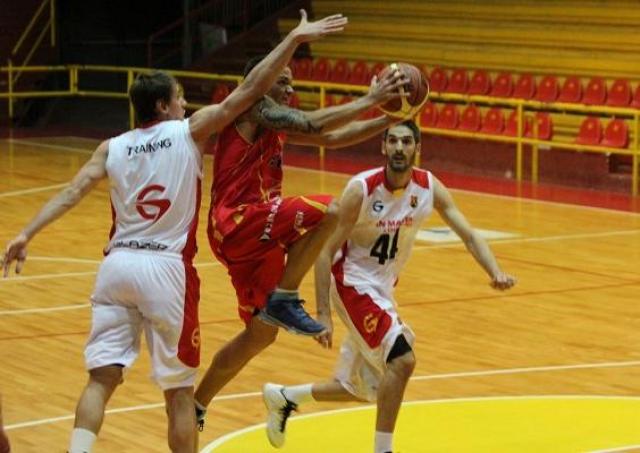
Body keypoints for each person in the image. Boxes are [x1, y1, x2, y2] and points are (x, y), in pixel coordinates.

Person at [0, 10, 348, 453]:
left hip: (116, 267)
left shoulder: (111, 147)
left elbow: (71, 193)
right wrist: (295, 39)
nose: (185, 105)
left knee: (100, 380)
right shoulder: (189, 131)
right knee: (181, 394)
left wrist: (26, 234)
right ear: (163, 106)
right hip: (165, 269)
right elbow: (251, 89)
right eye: (180, 98)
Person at [261, 120, 517, 453]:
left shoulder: (427, 187)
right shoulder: (362, 190)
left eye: (406, 142)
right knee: (402, 360)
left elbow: (468, 234)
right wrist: (324, 314)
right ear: (383, 147)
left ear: (417, 148)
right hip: (352, 282)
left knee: (366, 387)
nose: (399, 148)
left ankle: (285, 397)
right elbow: (323, 251)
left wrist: (495, 270)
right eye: (393, 141)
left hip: (381, 289)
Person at [195, 58, 421, 427]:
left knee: (260, 334)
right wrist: (372, 99)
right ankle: (286, 296)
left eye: (291, 83)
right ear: (259, 81)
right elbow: (314, 123)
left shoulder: (274, 124)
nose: (290, 89)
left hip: (254, 237)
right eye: (282, 81)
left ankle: (197, 403)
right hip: (239, 219)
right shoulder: (252, 107)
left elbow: (329, 138)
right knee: (331, 211)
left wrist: (390, 119)